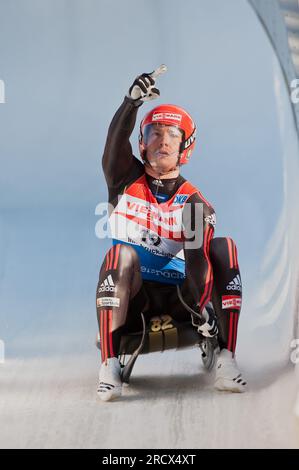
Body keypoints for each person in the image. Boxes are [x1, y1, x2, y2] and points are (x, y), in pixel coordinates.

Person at [96, 66, 246, 401]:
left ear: (185, 149)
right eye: (155, 134)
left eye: (173, 135)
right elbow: (113, 145)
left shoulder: (194, 203)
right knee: (120, 255)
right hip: (134, 297)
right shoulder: (124, 179)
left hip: (183, 299)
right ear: (142, 144)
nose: (163, 140)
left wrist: (203, 307)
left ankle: (227, 356)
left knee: (224, 248)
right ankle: (108, 364)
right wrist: (130, 104)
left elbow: (197, 260)